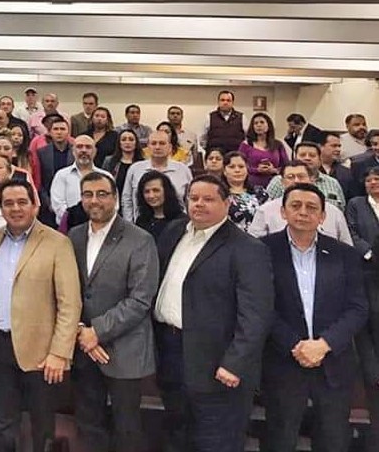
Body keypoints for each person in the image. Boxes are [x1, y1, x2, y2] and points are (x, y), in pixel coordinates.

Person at [153, 175, 273, 452]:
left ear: (227, 203)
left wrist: (235, 363)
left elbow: (256, 315)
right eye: (194, 198)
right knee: (177, 435)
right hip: (171, 352)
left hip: (217, 363)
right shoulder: (174, 232)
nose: (199, 204)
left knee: (216, 441)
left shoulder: (248, 249)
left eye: (208, 199)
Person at [262, 184, 367, 452]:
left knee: (333, 440)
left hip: (333, 361)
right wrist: (294, 345)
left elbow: (357, 308)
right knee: (279, 439)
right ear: (283, 212)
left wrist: (324, 344)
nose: (303, 212)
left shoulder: (344, 254)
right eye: (295, 206)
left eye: (311, 208)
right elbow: (260, 306)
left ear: (322, 216)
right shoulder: (262, 251)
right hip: (283, 361)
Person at [0, 178, 81, 452]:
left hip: (42, 352)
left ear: (35, 205)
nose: (15, 209)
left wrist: (59, 352)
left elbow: (69, 303)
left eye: (21, 202)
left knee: (42, 424)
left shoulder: (57, 243)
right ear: (1, 208)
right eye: (8, 203)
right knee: (3, 424)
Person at [69, 171, 159, 452]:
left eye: (102, 194)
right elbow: (68, 291)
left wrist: (97, 331)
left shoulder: (140, 239)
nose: (94, 200)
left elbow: (141, 299)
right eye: (88, 194)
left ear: (116, 198)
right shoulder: (74, 236)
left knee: (127, 428)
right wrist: (82, 331)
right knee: (88, 424)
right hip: (83, 349)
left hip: (124, 349)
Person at [248, 161, 353, 244]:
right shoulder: (266, 210)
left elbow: (346, 246)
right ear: (282, 182)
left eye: (301, 176)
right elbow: (254, 245)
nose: (296, 181)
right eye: (290, 177)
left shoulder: (332, 211)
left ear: (311, 180)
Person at [349, 166, 379, 452]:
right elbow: (352, 231)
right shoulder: (357, 204)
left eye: (377, 179)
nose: (373, 183)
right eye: (369, 180)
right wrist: (368, 252)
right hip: (369, 269)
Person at [120, 131, 192, 222]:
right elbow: (127, 200)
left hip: (178, 224)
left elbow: (190, 199)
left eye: (162, 143)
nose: (157, 147)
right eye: (153, 143)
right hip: (142, 224)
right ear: (148, 147)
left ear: (170, 147)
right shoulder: (135, 169)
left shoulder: (183, 170)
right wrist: (130, 224)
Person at [266, 141, 346, 211]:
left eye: (312, 155)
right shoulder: (278, 181)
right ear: (294, 158)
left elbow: (341, 210)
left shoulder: (333, 183)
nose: (307, 158)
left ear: (320, 160)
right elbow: (267, 208)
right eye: (302, 155)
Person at [49, 135, 110, 226]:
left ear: (95, 152)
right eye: (79, 147)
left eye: (88, 147)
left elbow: (113, 204)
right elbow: (58, 206)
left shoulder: (106, 177)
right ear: (73, 151)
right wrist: (76, 220)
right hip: (70, 227)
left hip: (101, 226)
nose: (84, 150)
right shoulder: (62, 175)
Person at [31, 116, 74, 226]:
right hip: (48, 203)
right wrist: (48, 202)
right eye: (56, 129)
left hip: (71, 202)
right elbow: (40, 180)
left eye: (62, 129)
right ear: (50, 132)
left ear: (68, 132)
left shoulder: (76, 152)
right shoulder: (42, 153)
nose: (59, 132)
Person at [238, 112, 289, 189]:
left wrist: (274, 170)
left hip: (274, 185)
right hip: (251, 184)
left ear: (268, 125)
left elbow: (286, 166)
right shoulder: (246, 145)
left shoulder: (278, 144)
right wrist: (257, 170)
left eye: (262, 122)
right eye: (255, 123)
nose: (259, 125)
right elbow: (239, 165)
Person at [222, 151, 268, 232]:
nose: (237, 170)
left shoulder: (260, 193)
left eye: (241, 166)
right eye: (232, 167)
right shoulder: (219, 194)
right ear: (224, 171)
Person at [134, 170, 185, 241]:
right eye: (147, 191)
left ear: (167, 191)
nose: (151, 196)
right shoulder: (141, 221)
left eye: (156, 190)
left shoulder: (182, 221)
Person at [103, 129, 144, 207]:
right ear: (119, 143)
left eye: (131, 139)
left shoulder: (142, 164)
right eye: (124, 139)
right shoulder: (109, 162)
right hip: (114, 204)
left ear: (136, 143)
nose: (127, 142)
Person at [200, 90, 246, 154]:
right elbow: (203, 138)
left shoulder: (241, 117)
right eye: (222, 100)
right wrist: (210, 151)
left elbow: (247, 138)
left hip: (235, 156)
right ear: (218, 102)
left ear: (232, 102)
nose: (225, 102)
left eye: (228, 100)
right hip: (215, 156)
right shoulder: (210, 117)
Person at [320, 131, 356, 201]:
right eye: (334, 146)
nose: (338, 149)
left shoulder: (346, 172)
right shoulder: (311, 170)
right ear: (320, 146)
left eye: (339, 146)